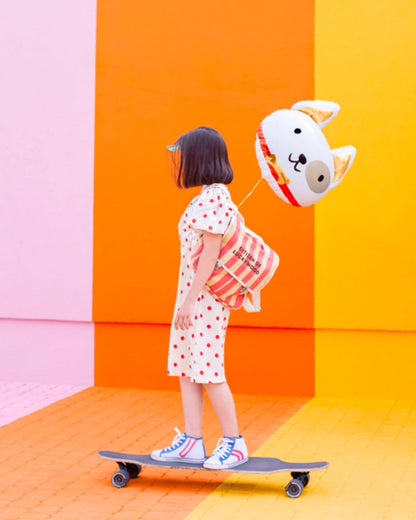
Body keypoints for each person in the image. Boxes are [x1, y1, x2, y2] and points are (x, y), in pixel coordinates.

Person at [151, 126, 248, 469]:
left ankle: (235, 443)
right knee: (188, 368)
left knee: (208, 370)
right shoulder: (207, 196)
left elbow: (209, 255)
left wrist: (189, 301)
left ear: (201, 158)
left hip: (203, 300)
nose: (183, 162)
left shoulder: (215, 199)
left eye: (187, 155)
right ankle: (192, 441)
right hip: (192, 299)